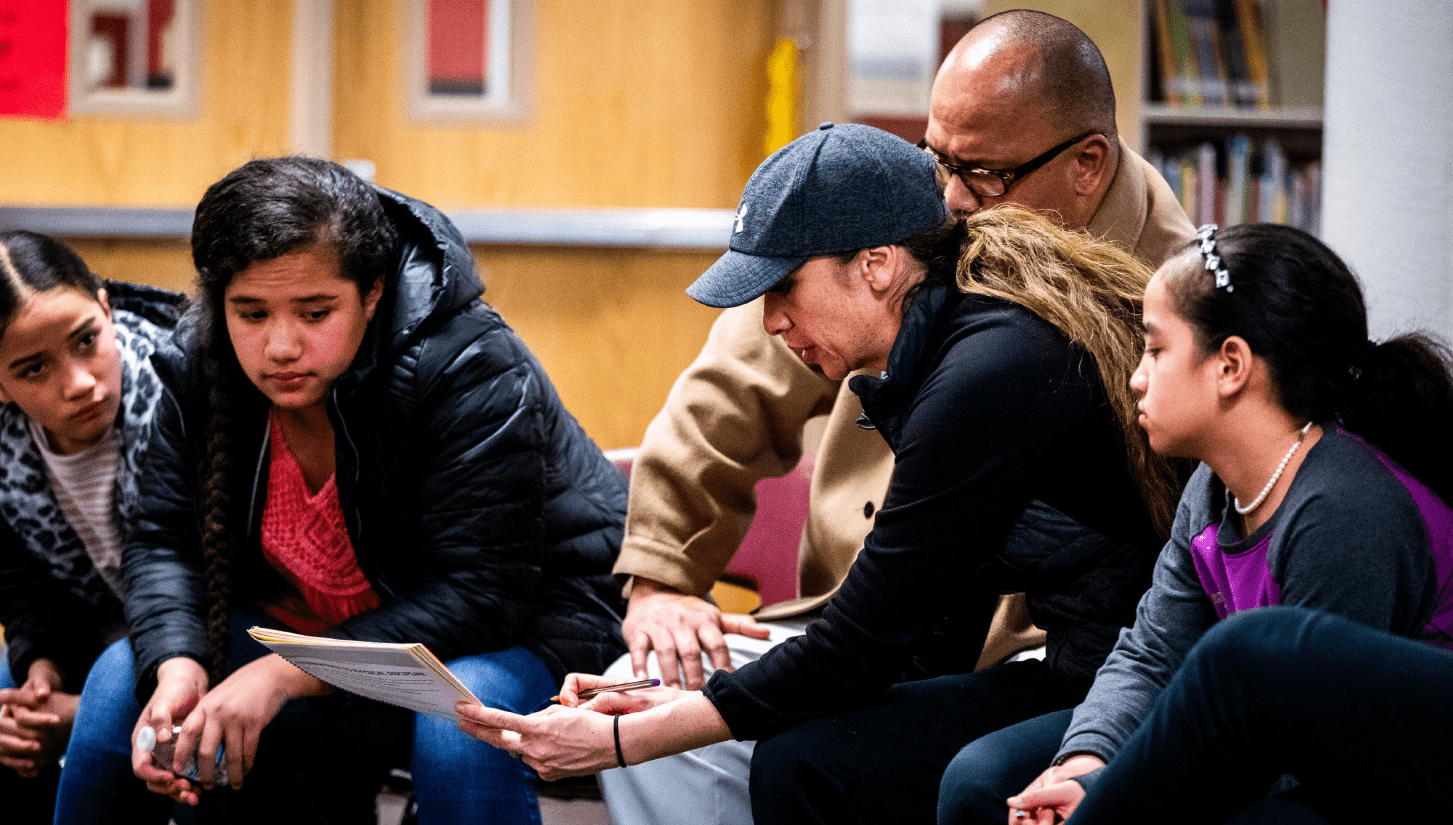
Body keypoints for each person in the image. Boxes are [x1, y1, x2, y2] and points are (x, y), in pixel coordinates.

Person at [458, 122, 1182, 824]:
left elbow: (861, 646)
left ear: (875, 263)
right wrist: (679, 701)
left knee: (807, 760)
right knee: (812, 745)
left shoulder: (984, 369)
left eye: (784, 287)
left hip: (1123, 683)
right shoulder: (948, 341)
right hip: (1081, 666)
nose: (771, 320)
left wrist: (625, 741)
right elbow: (923, 630)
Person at [602, 10, 1195, 823]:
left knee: (797, 752)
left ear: (1086, 164)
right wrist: (663, 573)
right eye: (936, 155)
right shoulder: (899, 243)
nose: (949, 195)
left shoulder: (1158, 296)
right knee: (666, 688)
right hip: (895, 605)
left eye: (980, 171)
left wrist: (638, 734)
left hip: (1039, 642)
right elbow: (729, 391)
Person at [55, 156, 629, 825]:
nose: (280, 345)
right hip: (320, 631)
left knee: (465, 719)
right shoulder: (199, 361)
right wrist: (176, 665)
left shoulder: (468, 362)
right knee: (117, 684)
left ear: (374, 292)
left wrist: (281, 674)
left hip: (521, 629)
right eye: (250, 312)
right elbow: (164, 540)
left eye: (315, 311)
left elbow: (481, 594)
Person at [967, 224, 1453, 825]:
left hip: (1382, 770)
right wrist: (1085, 761)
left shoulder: (1344, 513)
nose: (1136, 377)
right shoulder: (1214, 480)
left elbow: (1304, 740)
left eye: (1155, 349)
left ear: (1230, 365)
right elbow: (1153, 650)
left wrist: (1114, 795)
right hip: (1259, 739)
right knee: (983, 781)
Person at [0, 231, 183, 825]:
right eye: (33, 369)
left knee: (103, 709)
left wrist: (81, 713)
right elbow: (17, 579)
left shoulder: (183, 382)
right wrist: (41, 677)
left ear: (106, 308)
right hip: (90, 631)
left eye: (86, 341)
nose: (77, 382)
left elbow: (209, 574)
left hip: (190, 627)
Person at [1055, 606, 1453, 824]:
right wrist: (1087, 758)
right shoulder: (1205, 499)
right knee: (994, 775)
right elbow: (1151, 650)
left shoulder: (1337, 507)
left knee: (1243, 654)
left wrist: (1106, 784)